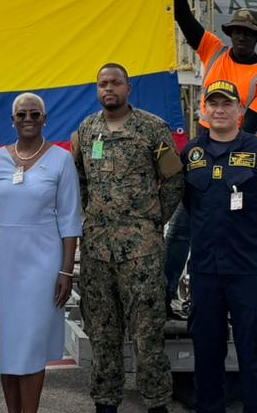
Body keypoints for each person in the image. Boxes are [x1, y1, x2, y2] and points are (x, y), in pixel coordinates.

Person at [164, 0, 257, 309]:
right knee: (182, 229)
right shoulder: (213, 50)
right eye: (237, 31)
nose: (241, 38)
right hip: (204, 148)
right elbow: (183, 17)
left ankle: (247, 301)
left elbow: (247, 126)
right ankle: (165, 293)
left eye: (248, 34)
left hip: (244, 159)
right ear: (230, 33)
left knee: (236, 232)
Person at [71, 63, 183, 413]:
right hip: (98, 251)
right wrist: (97, 218)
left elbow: (174, 180)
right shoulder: (88, 130)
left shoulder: (152, 128)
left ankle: (156, 402)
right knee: (103, 331)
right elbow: (82, 181)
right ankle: (105, 401)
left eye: (115, 83)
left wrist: (150, 221)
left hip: (141, 251)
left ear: (128, 88)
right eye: (103, 83)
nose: (109, 89)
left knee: (147, 332)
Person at [184, 79, 257, 413]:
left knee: (254, 354)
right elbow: (190, 205)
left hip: (248, 272)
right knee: (206, 353)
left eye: (227, 104)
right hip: (206, 272)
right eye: (213, 104)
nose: (220, 110)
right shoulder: (191, 154)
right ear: (204, 109)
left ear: (240, 111)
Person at [0, 93, 82, 413]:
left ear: (45, 119)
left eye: (35, 114)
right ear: (13, 120)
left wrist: (66, 270)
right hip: (0, 261)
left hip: (43, 263)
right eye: (22, 115)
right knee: (5, 343)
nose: (28, 119)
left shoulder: (61, 160)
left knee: (31, 343)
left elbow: (70, 219)